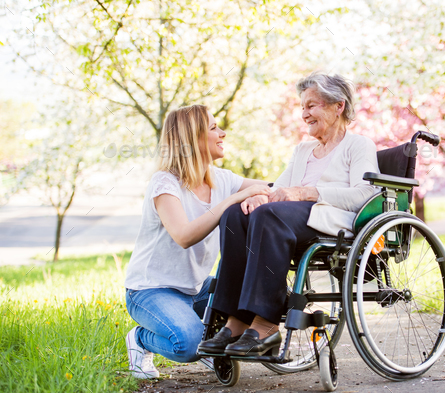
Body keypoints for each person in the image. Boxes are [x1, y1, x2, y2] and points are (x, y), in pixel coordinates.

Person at [198, 73, 378, 357]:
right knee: (235, 215)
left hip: (330, 220)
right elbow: (279, 188)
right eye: (302, 107)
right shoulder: (303, 150)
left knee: (269, 216)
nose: (304, 114)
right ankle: (237, 319)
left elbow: (364, 195)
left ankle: (266, 323)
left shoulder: (358, 145)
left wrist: (307, 192)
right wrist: (260, 194)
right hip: (293, 217)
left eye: (311, 106)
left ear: (338, 106)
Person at [124, 105, 270, 379]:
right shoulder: (165, 184)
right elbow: (184, 236)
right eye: (214, 128)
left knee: (253, 307)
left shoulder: (223, 179)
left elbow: (272, 187)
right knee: (189, 345)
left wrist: (257, 195)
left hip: (197, 288)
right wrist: (233, 200)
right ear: (192, 139)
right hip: (151, 290)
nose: (222, 133)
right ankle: (140, 339)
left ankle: (205, 336)